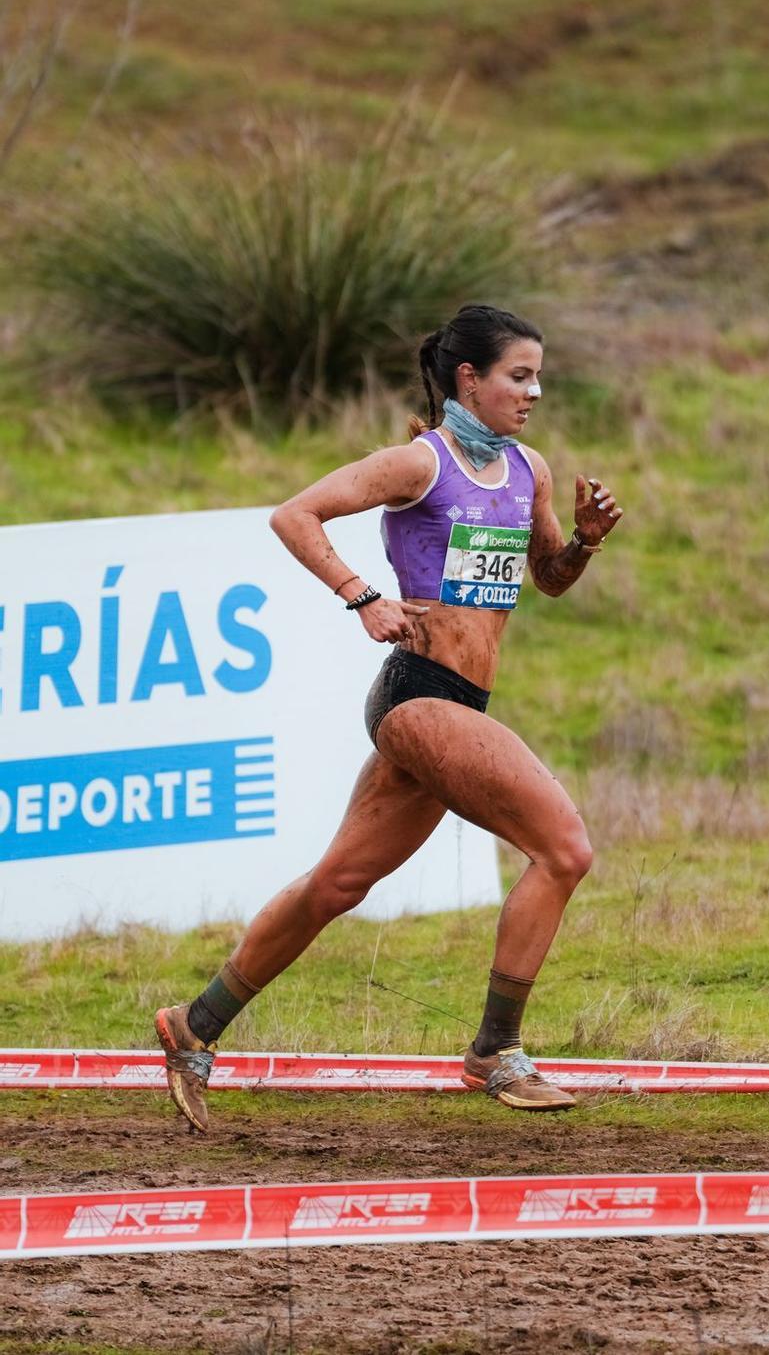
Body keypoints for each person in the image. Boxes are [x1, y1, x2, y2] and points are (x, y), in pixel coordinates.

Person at [155, 304, 623, 1127]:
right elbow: (293, 515)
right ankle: (494, 1050)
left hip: (459, 706)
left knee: (338, 884)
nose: (536, 391)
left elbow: (545, 578)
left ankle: (193, 1027)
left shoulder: (530, 470)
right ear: (468, 380)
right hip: (416, 696)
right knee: (565, 850)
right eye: (520, 376)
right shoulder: (419, 463)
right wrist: (361, 596)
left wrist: (581, 543)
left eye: (538, 376)